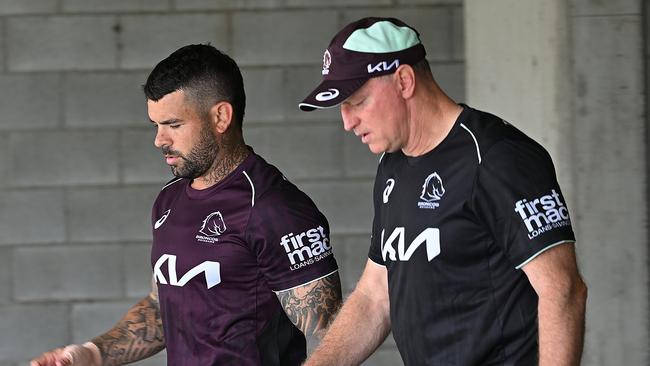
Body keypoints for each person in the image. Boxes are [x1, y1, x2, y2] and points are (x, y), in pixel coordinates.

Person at [298, 17, 587, 365]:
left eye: (357, 101)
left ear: (404, 80)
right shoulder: (392, 165)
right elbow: (376, 295)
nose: (347, 122)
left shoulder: (496, 158)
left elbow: (563, 290)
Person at [31, 44, 342, 366]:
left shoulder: (273, 208)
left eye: (174, 125)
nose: (159, 139)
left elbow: (332, 338)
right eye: (156, 125)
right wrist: (92, 354)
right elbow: (162, 308)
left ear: (221, 116)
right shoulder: (170, 198)